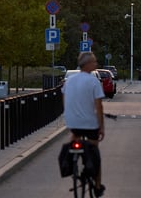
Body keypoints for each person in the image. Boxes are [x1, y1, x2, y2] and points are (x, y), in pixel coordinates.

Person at [62, 51, 106, 196]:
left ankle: (71, 163)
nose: (96, 64)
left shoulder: (69, 81)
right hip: (89, 124)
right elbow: (99, 106)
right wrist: (101, 127)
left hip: (72, 122)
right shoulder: (93, 81)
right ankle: (98, 186)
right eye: (94, 61)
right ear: (87, 64)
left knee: (74, 137)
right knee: (95, 153)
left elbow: (65, 99)